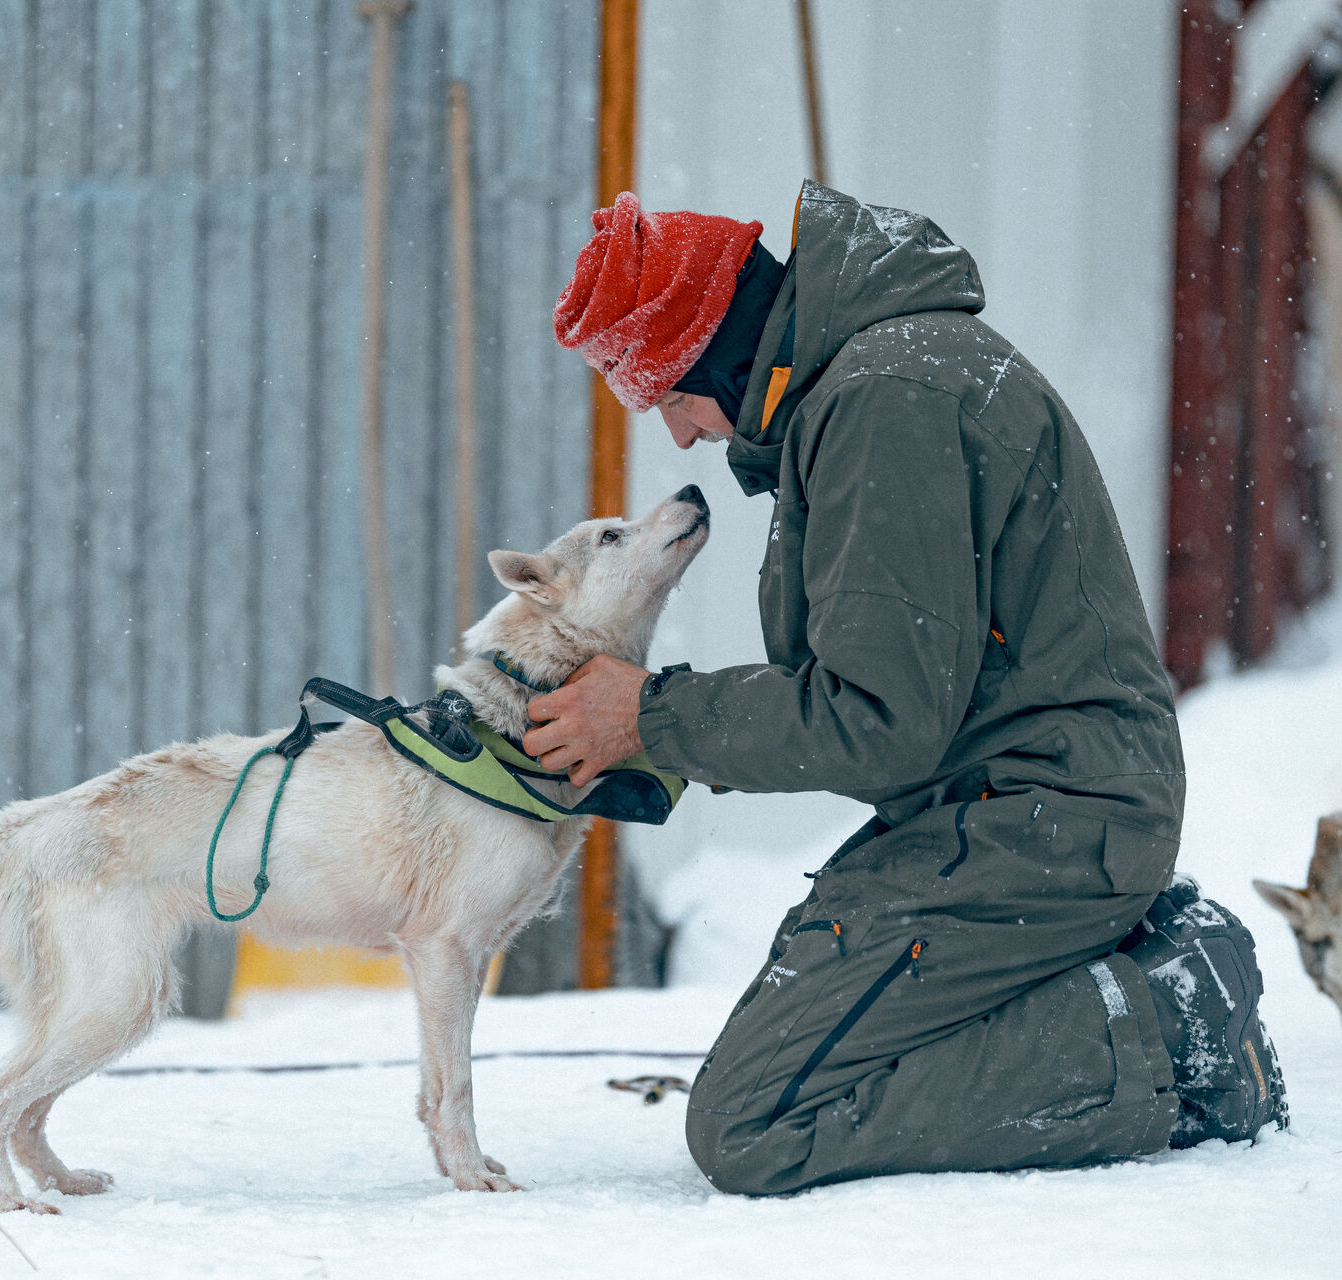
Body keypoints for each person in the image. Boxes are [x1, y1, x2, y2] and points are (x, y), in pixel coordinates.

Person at [532, 181, 1287, 1195]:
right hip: (1005, 808)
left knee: (756, 1119)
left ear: (717, 350)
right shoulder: (869, 388)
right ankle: (1109, 970)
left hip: (1047, 814)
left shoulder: (886, 403)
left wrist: (651, 714)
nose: (676, 436)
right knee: (797, 1054)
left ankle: (1174, 1031)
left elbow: (875, 719)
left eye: (670, 394)